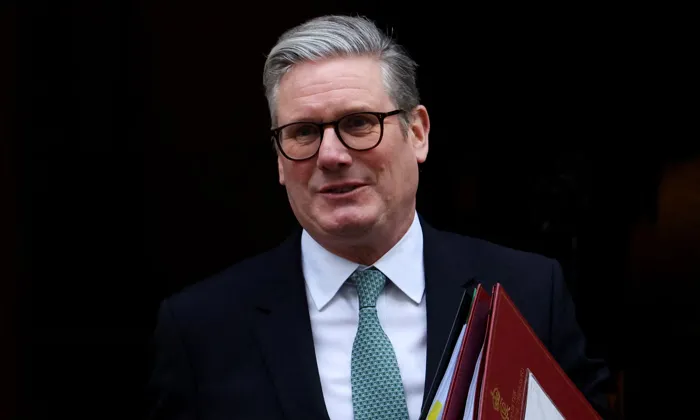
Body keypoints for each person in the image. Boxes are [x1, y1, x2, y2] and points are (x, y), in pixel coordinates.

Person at [147, 14, 613, 420]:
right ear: (279, 160)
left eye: (358, 123)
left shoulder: (529, 293)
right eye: (303, 132)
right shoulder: (202, 329)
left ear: (418, 133)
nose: (331, 155)